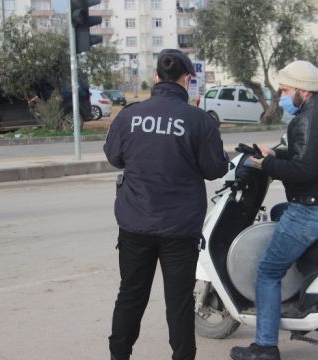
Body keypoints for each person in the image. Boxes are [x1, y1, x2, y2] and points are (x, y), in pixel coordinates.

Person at [104, 49, 229, 360]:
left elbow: (113, 157)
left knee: (131, 295)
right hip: (180, 228)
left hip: (135, 224)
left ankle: (119, 356)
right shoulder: (198, 120)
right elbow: (216, 169)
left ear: (156, 78)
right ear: (186, 79)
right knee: (179, 302)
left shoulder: (130, 116)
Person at [230, 60, 318, 360]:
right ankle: (297, 291)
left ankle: (264, 347)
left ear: (302, 90)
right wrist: (275, 152)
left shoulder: (309, 118)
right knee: (277, 212)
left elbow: (303, 170)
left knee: (267, 270)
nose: (283, 96)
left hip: (316, 209)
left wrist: (266, 164)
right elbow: (309, 153)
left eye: (286, 90)